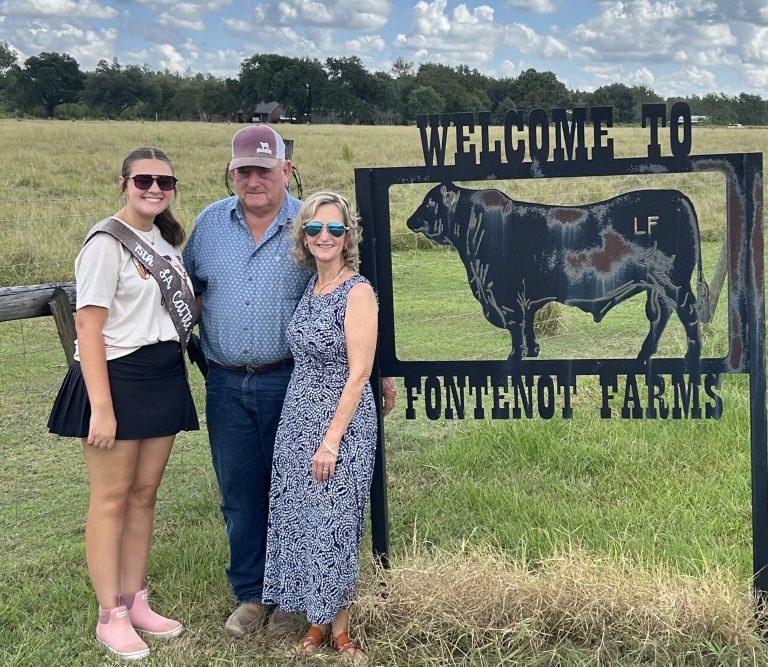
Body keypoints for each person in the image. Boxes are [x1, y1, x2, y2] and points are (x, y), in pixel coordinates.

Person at [182, 124, 395, 637]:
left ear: (286, 169)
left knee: (298, 495)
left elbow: (355, 306)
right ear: (231, 173)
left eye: (264, 170)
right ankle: (253, 594)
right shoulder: (209, 224)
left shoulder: (311, 221)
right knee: (239, 491)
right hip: (225, 381)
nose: (253, 181)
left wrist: (379, 373)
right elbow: (188, 291)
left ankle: (296, 599)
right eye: (243, 171)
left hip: (290, 380)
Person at [48, 147, 198, 660]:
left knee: (144, 495)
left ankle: (136, 601)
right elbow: (88, 326)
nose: (154, 189)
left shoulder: (167, 242)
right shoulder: (105, 243)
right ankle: (109, 614)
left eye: (164, 181)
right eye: (144, 180)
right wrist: (102, 407)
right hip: (116, 376)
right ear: (124, 183)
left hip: (162, 374)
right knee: (111, 498)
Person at [262, 191, 378, 665]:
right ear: (304, 236)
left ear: (347, 236)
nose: (324, 236)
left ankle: (341, 630)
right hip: (298, 417)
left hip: (340, 423)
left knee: (335, 523)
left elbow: (360, 372)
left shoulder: (358, 292)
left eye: (334, 229)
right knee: (304, 518)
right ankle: (316, 617)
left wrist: (331, 441)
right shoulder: (312, 286)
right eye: (314, 228)